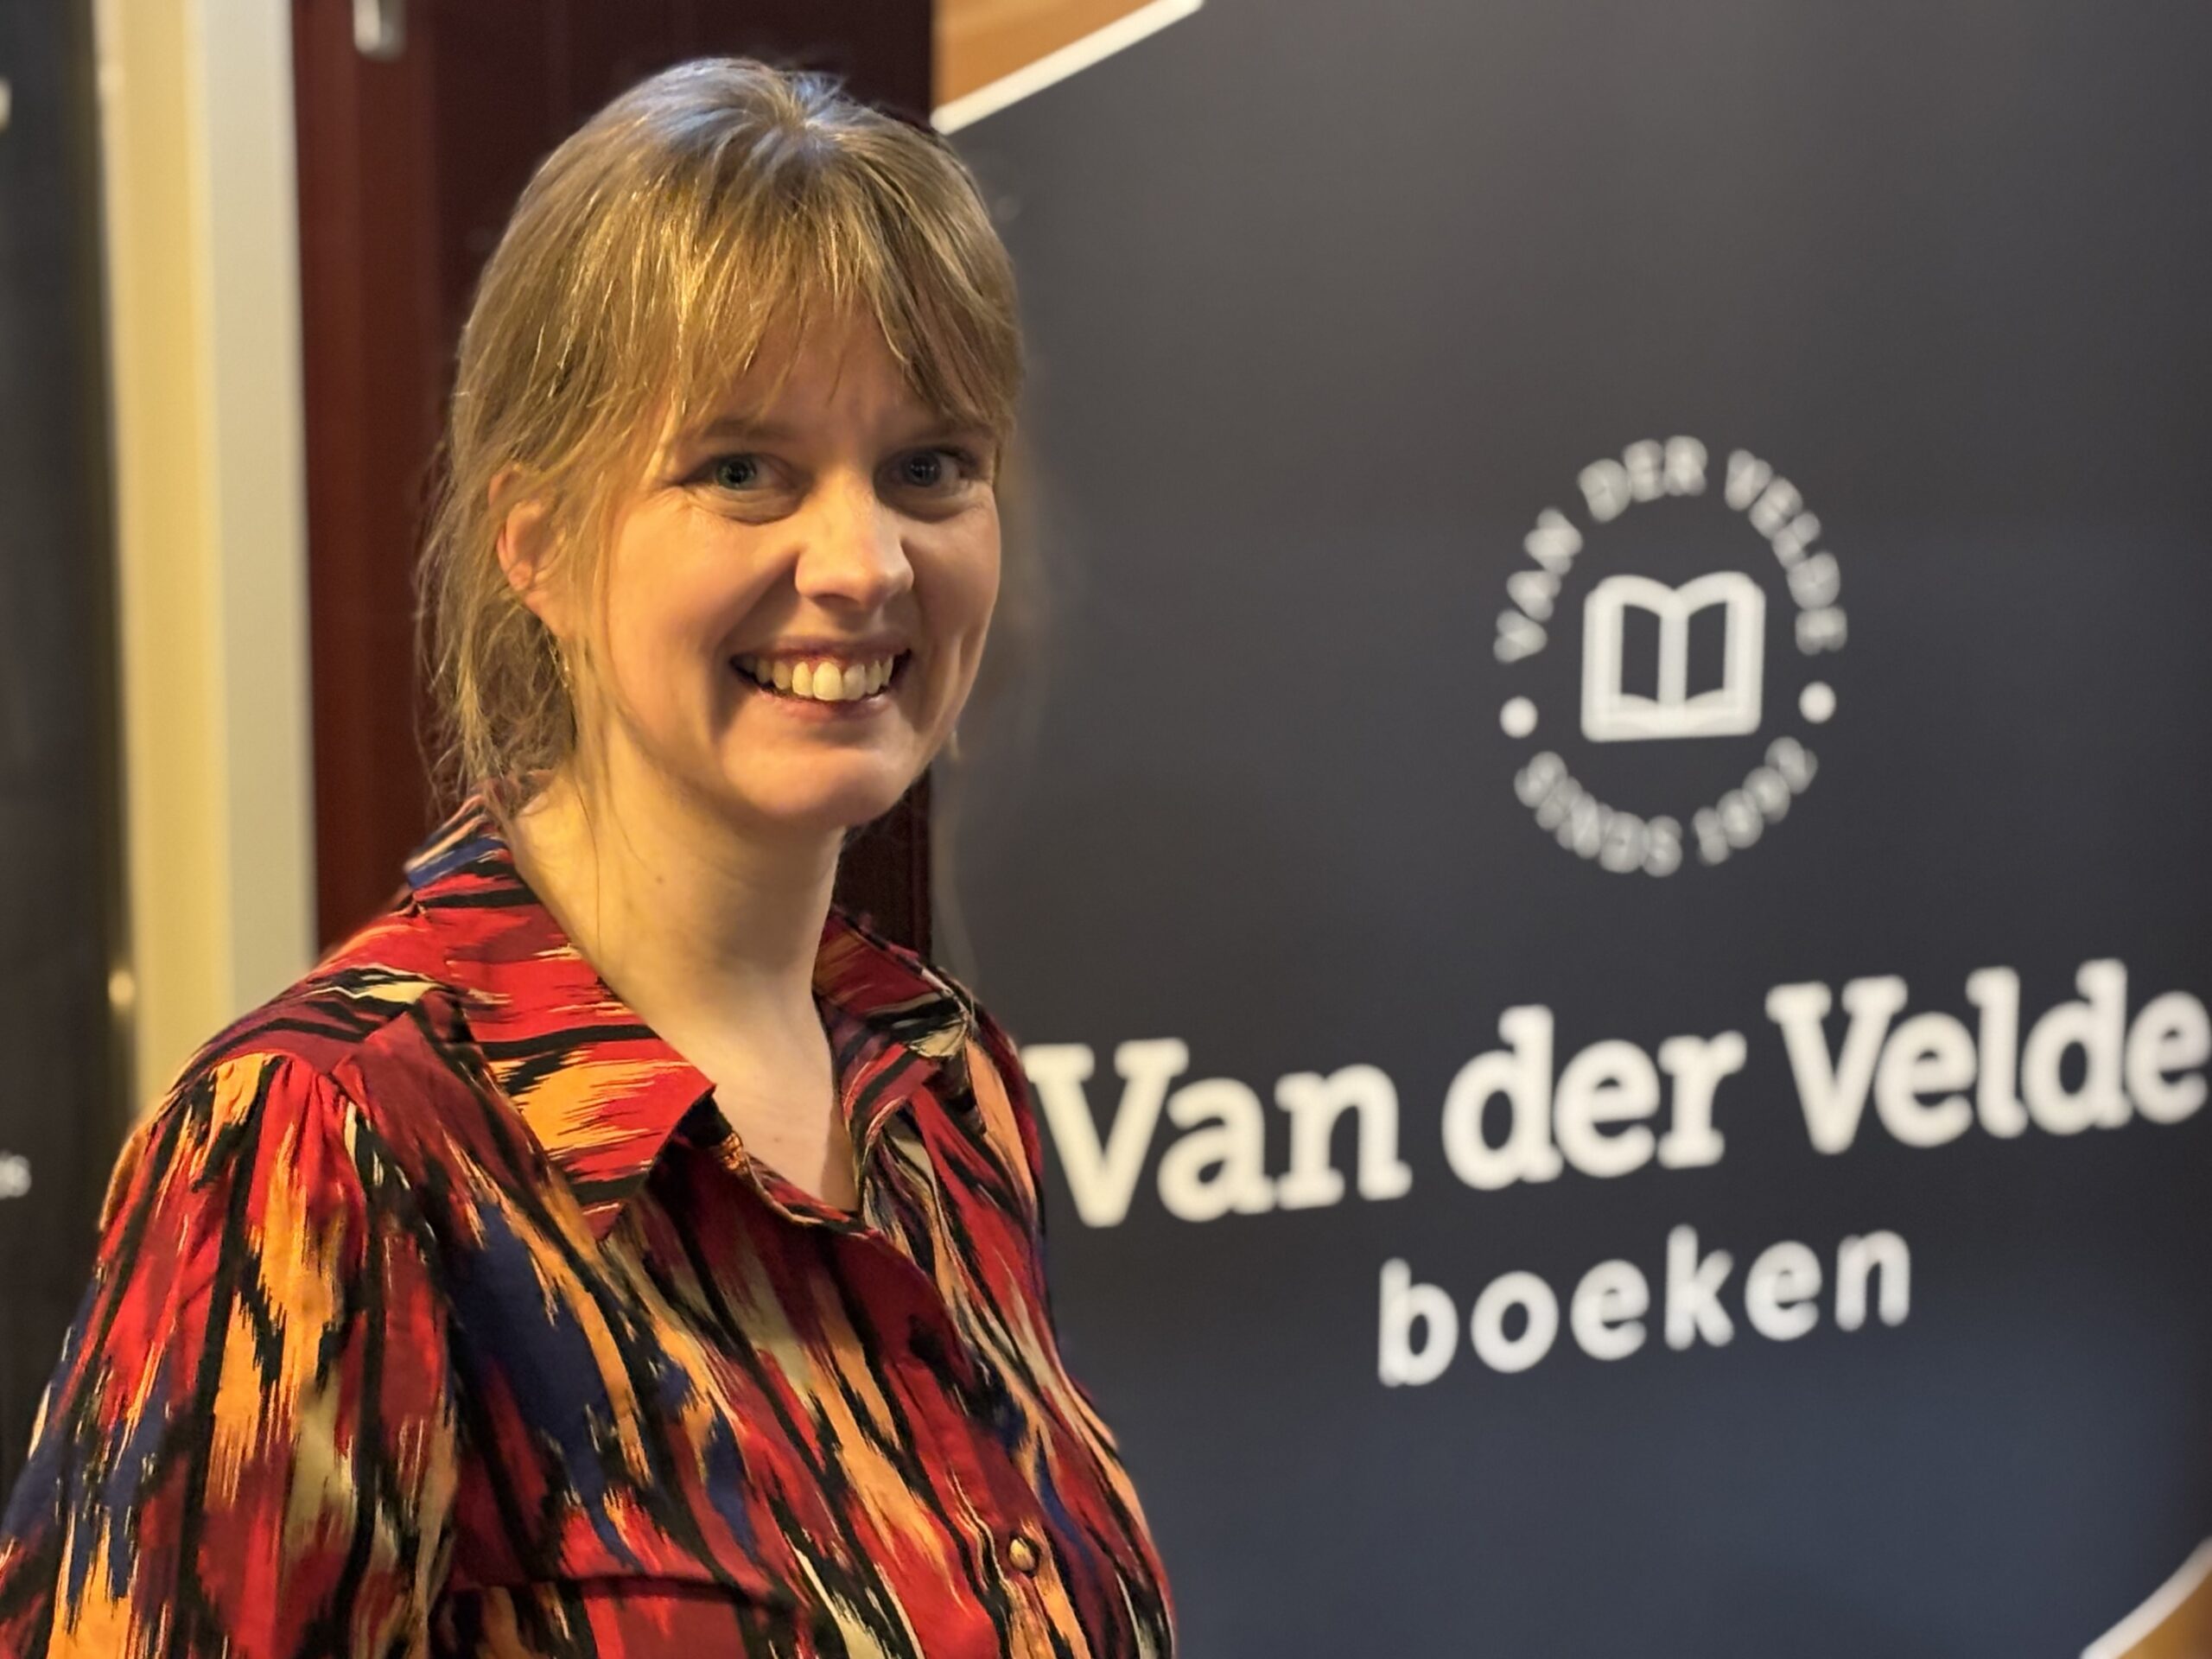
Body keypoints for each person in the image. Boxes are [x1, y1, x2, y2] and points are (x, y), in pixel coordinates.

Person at [0, 58, 1173, 1658]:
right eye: (742, 469)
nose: (862, 562)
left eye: (928, 467)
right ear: (537, 543)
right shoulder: (327, 1150)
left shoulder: (944, 1094)